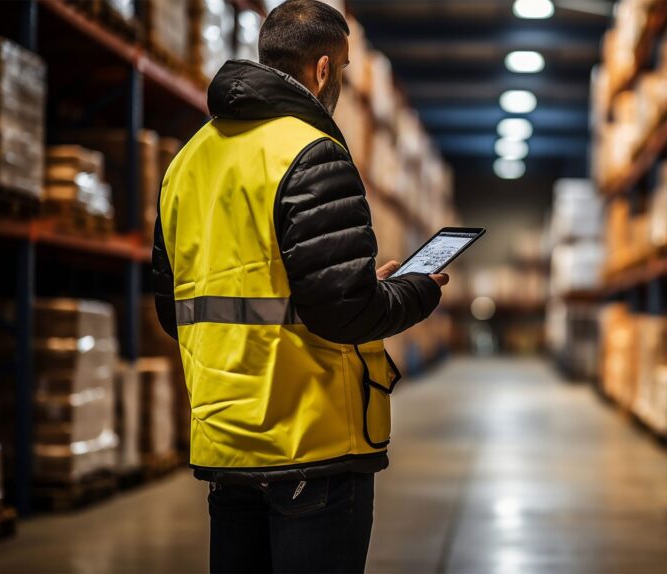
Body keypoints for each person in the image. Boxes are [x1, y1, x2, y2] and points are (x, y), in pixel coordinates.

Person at [151, 1, 448, 572]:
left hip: (226, 444)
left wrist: (351, 284)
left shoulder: (186, 162)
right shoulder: (312, 153)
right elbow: (344, 313)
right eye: (344, 69)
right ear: (321, 70)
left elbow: (175, 308)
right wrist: (416, 291)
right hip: (311, 444)